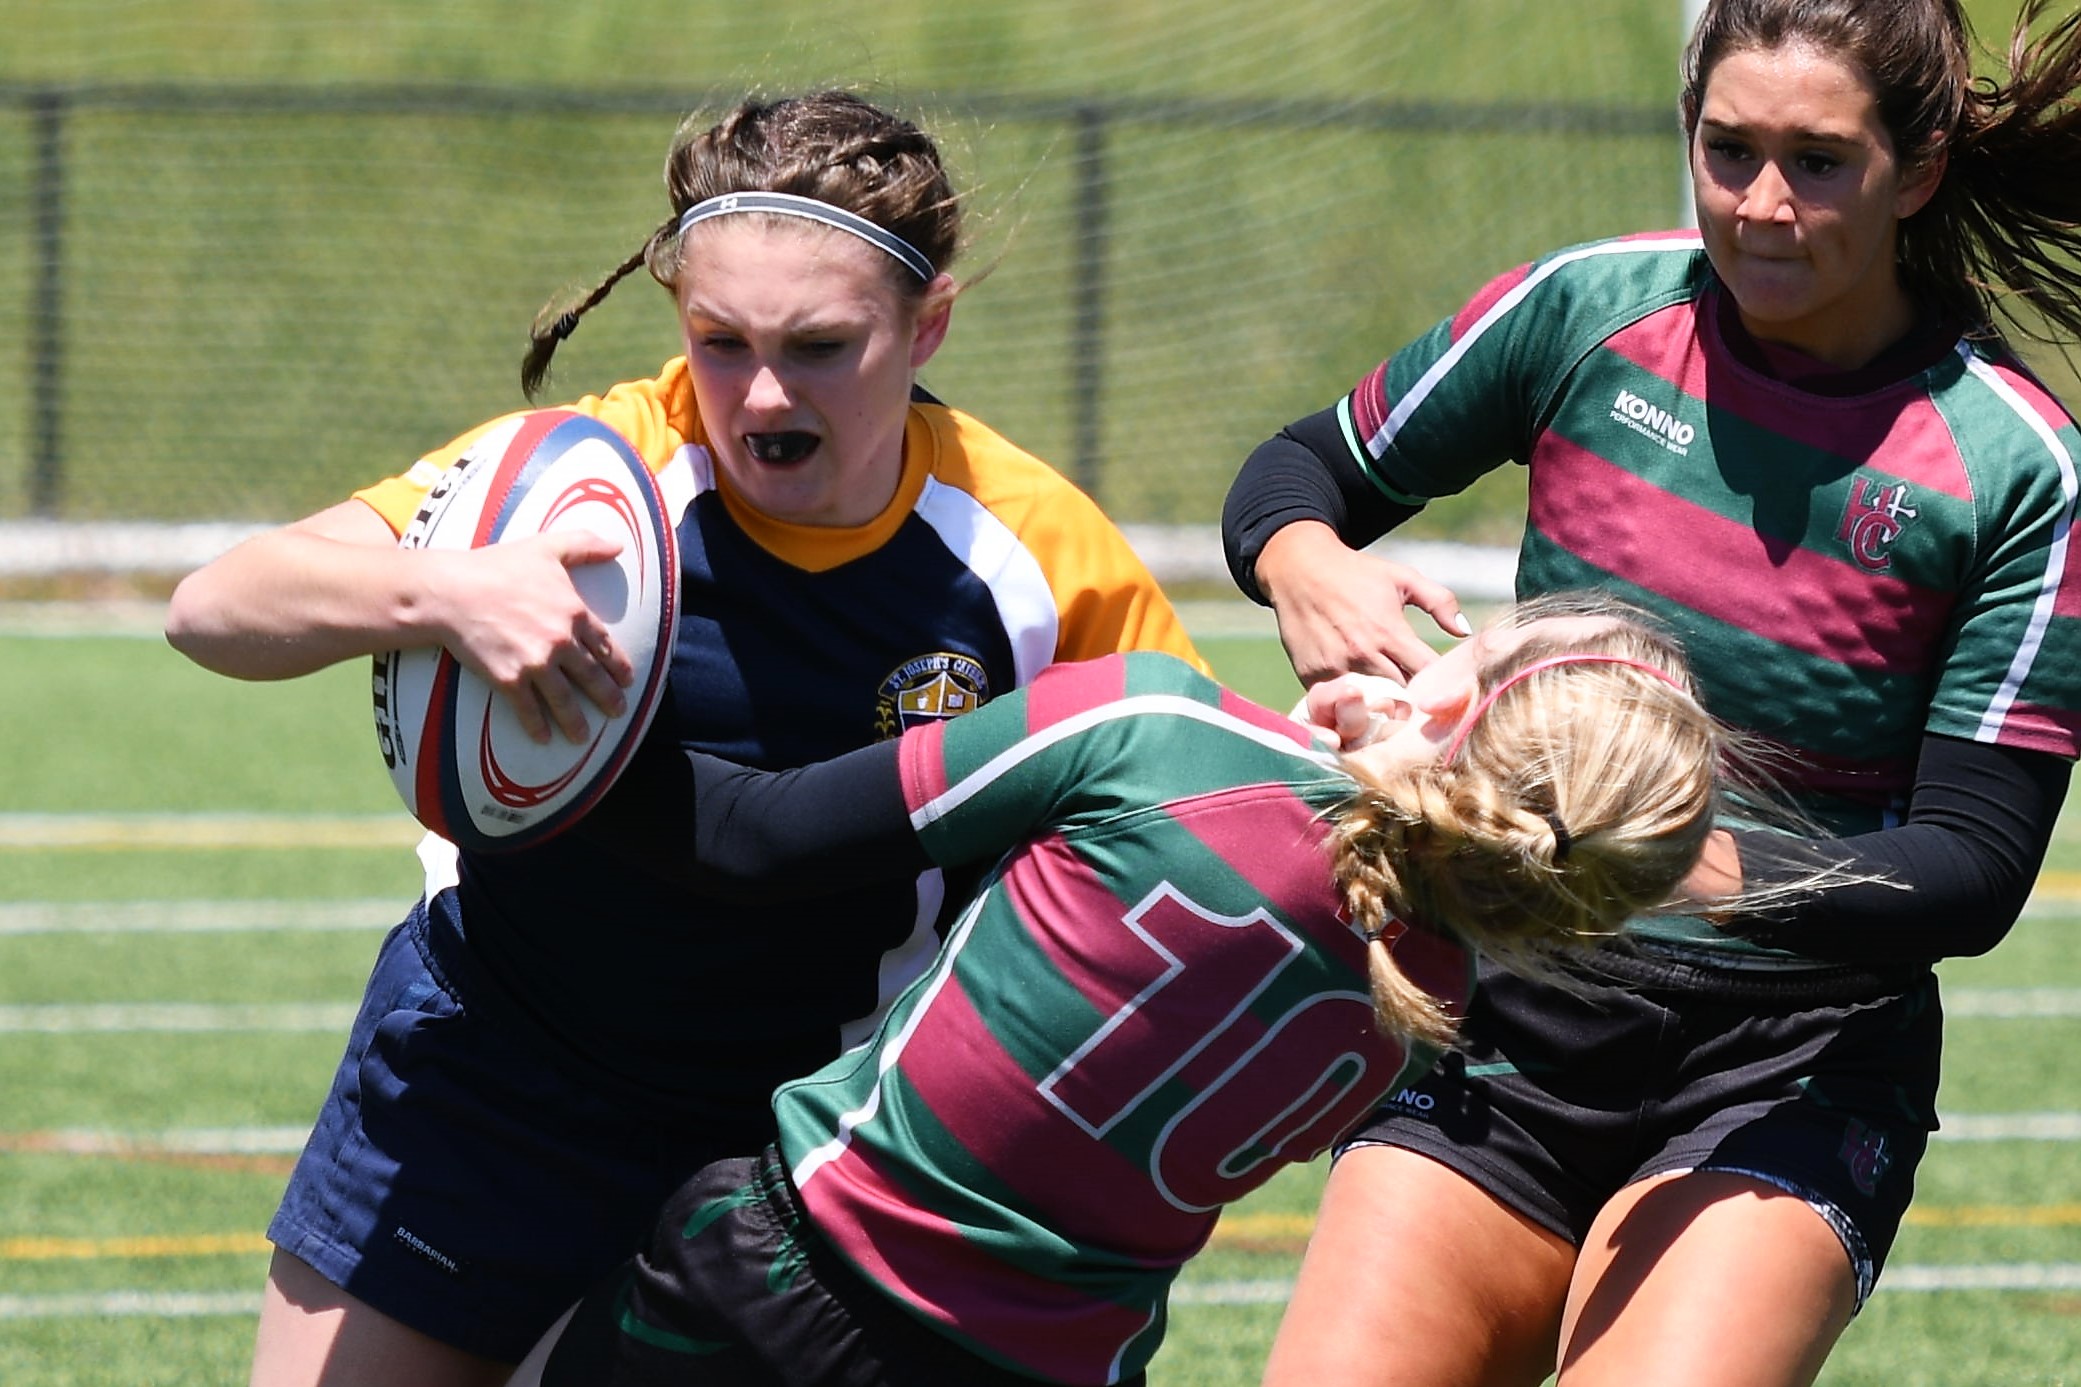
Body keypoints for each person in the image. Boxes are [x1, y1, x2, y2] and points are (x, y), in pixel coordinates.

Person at [164, 90, 1204, 1387]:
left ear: (927, 322)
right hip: (499, 1077)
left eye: (821, 345)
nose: (761, 393)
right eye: (722, 341)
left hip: (805, 1142)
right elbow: (215, 608)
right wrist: (446, 590)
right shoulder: (585, 477)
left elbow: (1208, 806)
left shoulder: (1026, 552)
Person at [1220, 2, 2081, 1383]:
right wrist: (1306, 562)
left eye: (1818, 161)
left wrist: (1659, 858)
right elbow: (1295, 473)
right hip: (1504, 1013)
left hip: (1786, 1064)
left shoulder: (2015, 465)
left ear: (1915, 171)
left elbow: (1969, 868)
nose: (1760, 204)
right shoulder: (1584, 311)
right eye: (1726, 148)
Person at [503, 594, 1768, 1387]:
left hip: (788, 1270)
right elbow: (1330, 883)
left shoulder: (1159, 730)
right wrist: (1358, 755)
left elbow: (754, 837)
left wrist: (537, 729)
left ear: (1472, 696)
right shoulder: (1426, 1004)